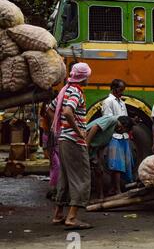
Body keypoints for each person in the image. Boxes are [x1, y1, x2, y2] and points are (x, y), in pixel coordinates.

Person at [47, 62, 92, 230]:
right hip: (74, 140)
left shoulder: (64, 90)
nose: (89, 79)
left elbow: (52, 110)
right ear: (83, 77)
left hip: (64, 139)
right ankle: (72, 217)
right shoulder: (76, 92)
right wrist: (79, 131)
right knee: (82, 177)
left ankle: (58, 214)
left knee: (65, 177)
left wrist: (60, 126)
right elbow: (67, 111)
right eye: (87, 76)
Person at [86, 115, 135, 199]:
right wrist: (86, 145)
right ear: (123, 126)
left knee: (99, 171)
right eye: (125, 131)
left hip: (94, 149)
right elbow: (95, 127)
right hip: (85, 144)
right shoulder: (112, 120)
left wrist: (100, 160)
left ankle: (100, 197)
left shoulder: (112, 131)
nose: (122, 133)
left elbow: (101, 145)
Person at [102, 79, 133, 194]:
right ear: (114, 89)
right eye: (120, 90)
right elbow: (107, 119)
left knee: (123, 163)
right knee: (116, 165)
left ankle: (114, 188)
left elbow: (125, 118)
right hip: (114, 136)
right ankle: (117, 189)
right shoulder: (108, 102)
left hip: (123, 136)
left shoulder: (121, 102)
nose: (122, 93)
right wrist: (120, 125)